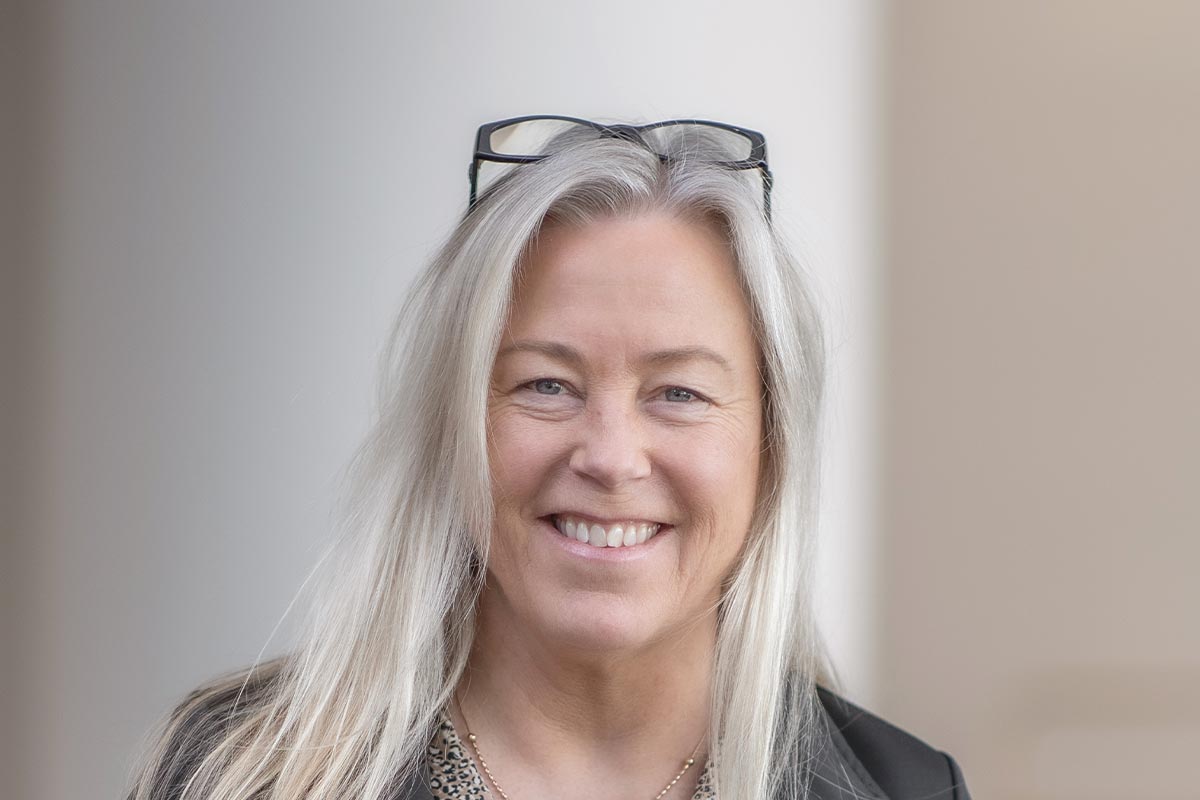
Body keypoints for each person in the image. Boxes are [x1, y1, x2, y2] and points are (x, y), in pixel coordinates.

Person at [126, 116, 972, 800]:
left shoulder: (901, 790)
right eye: (545, 385)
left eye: (678, 393)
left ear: (772, 449)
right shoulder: (240, 775)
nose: (609, 456)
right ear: (452, 425)